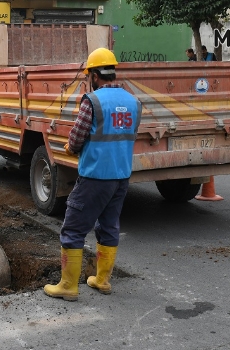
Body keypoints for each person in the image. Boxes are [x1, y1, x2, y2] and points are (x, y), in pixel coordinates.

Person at [43, 48, 141, 301]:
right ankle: (102, 280)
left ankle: (68, 286)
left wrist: (72, 147)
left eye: (90, 75)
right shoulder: (134, 102)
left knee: (73, 229)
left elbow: (77, 137)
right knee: (109, 226)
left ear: (95, 75)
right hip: (121, 177)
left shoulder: (92, 100)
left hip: (96, 176)